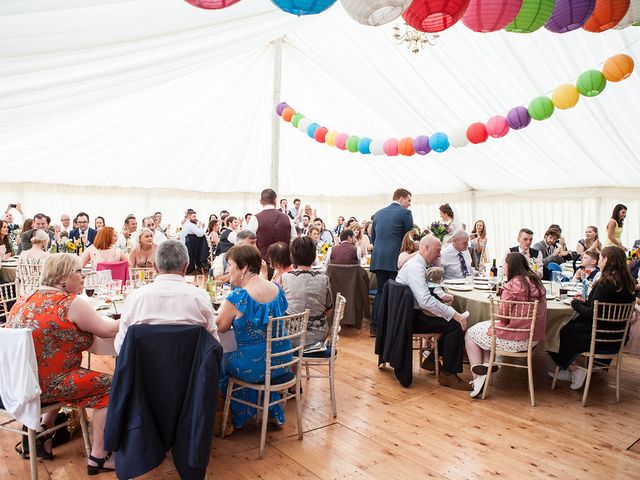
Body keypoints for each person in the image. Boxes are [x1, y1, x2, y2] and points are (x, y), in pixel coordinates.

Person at [7, 254, 119, 473]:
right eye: (78, 271)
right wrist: (133, 315)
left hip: (18, 384)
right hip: (48, 386)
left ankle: (42, 433)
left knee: (59, 370)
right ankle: (99, 457)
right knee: (112, 386)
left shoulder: (24, 299)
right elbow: (107, 330)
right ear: (62, 279)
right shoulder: (70, 303)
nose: (83, 275)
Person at [215, 245, 291, 427]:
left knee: (217, 361)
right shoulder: (276, 288)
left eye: (230, 264)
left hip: (256, 367)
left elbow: (221, 327)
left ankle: (231, 417)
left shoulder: (238, 297)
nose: (227, 270)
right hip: (283, 361)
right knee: (252, 354)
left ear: (244, 268)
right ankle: (266, 408)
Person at [548, 246, 636, 389]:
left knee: (555, 330)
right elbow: (602, 306)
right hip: (617, 336)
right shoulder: (628, 283)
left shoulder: (604, 283)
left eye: (601, 258)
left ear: (606, 260)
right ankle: (565, 367)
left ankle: (573, 369)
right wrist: (586, 301)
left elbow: (591, 313)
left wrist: (575, 303)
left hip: (598, 336)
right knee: (566, 328)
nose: (600, 261)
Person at [465, 252, 547, 398]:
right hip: (532, 338)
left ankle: (477, 378)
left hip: (516, 339)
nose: (503, 267)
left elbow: (503, 316)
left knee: (471, 334)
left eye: (505, 264)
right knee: (486, 331)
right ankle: (486, 367)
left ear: (511, 266)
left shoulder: (511, 286)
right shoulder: (536, 282)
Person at [114, 240, 218, 354]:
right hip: (191, 370)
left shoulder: (136, 298)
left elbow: (121, 346)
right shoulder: (200, 298)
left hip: (144, 370)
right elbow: (213, 344)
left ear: (155, 267)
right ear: (186, 266)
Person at [396, 236, 470, 390]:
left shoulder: (417, 264)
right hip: (410, 318)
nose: (439, 255)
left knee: (449, 321)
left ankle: (431, 360)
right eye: (437, 251)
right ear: (425, 249)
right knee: (455, 324)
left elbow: (426, 289)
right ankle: (448, 375)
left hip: (408, 314)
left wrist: (441, 298)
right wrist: (454, 313)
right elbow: (425, 301)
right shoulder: (416, 267)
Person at [370, 188, 414, 336]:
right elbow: (409, 238)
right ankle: (391, 328)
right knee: (396, 293)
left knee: (381, 292)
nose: (409, 204)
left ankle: (375, 327)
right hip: (395, 259)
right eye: (408, 200)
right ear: (401, 198)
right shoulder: (405, 213)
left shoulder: (378, 213)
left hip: (378, 258)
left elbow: (373, 239)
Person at [281, 236, 333, 348]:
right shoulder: (323, 278)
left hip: (290, 336)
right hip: (318, 335)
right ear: (314, 255)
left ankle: (290, 364)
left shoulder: (284, 278)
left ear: (293, 256)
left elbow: (280, 308)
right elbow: (329, 311)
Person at [244, 188, 296, 261]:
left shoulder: (255, 219)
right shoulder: (287, 218)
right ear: (275, 200)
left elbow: (248, 241)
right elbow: (294, 240)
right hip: (284, 263)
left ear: (260, 201)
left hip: (263, 262)